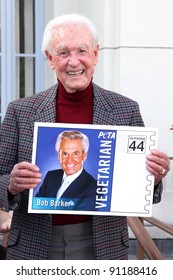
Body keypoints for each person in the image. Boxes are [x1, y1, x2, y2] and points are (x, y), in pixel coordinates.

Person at [0, 13, 170, 260]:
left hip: (103, 244)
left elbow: (142, 189)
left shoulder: (125, 109)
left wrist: (154, 177)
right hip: (34, 245)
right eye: (63, 53)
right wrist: (11, 185)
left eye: (82, 50)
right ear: (49, 58)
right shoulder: (20, 111)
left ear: (95, 54)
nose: (74, 61)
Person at [35, 130, 97, 211]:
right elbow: (37, 206)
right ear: (59, 156)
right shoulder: (51, 176)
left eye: (75, 154)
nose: (69, 160)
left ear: (84, 155)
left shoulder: (93, 187)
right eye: (65, 154)